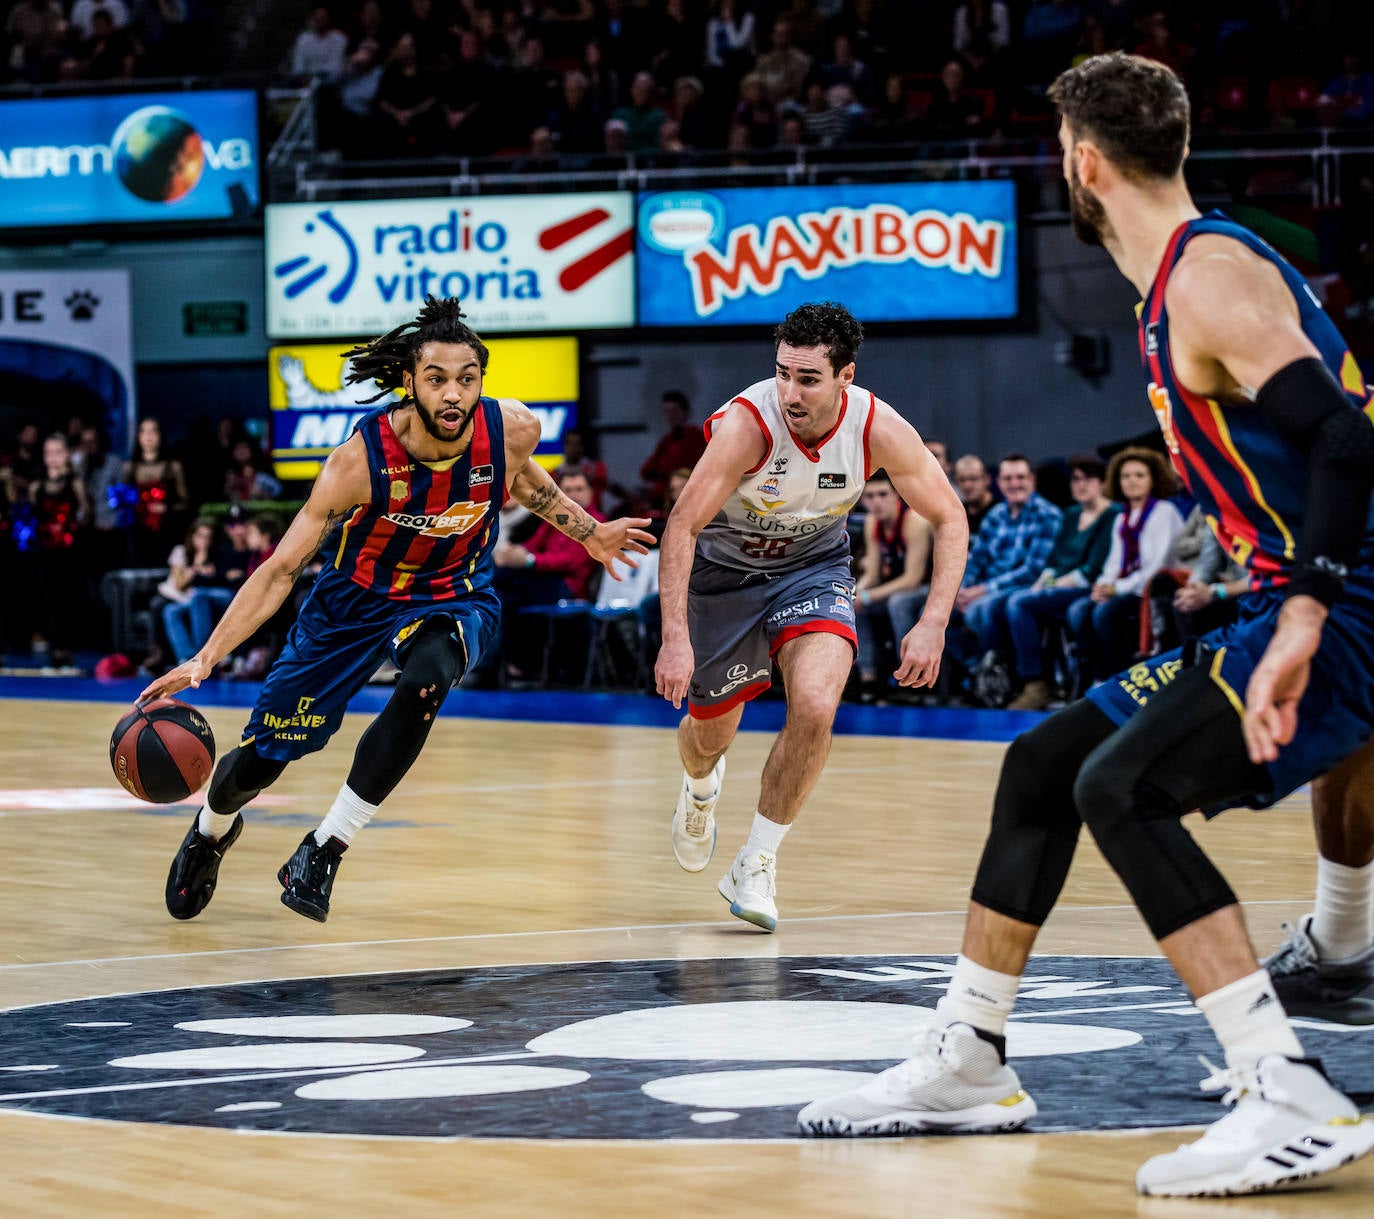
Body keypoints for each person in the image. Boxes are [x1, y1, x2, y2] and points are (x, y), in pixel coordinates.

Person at [799, 53, 1374, 1197]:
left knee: (1123, 788)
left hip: (1342, 604)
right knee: (1044, 765)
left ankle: (1286, 1088)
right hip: (1300, 596)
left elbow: (1346, 443)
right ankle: (968, 1057)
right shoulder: (1183, 274)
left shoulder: (1208, 277)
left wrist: (1306, 612)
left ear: (1084, 160)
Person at [140, 298, 652, 925]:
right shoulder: (358, 464)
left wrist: (589, 531)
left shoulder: (511, 428)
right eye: (437, 379)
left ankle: (324, 849)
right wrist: (205, 657)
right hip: (353, 603)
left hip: (452, 592)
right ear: (409, 382)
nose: (453, 394)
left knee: (427, 679)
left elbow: (521, 480)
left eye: (467, 378)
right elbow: (280, 569)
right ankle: (210, 831)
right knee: (263, 759)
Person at [655, 302, 967, 932]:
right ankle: (700, 787)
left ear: (845, 376)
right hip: (724, 579)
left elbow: (950, 517)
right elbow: (681, 525)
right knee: (708, 736)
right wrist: (675, 639)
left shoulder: (877, 428)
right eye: (782, 374)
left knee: (818, 705)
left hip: (813, 569)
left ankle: (757, 860)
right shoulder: (749, 425)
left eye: (808, 379)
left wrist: (933, 621)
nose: (790, 392)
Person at [1005, 453, 1117, 710]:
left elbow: (1092, 569)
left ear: (1102, 482)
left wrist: (1050, 585)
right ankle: (1015, 680)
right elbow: (1053, 560)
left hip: (1089, 587)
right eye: (1076, 480)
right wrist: (1041, 582)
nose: (1081, 485)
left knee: (1019, 604)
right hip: (1060, 587)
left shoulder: (1113, 514)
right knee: (1018, 600)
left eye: (1088, 479)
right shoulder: (1071, 514)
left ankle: (1036, 683)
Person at [1065, 444, 1183, 682]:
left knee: (1104, 613)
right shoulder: (1122, 518)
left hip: (1154, 591)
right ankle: (1099, 678)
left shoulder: (1164, 512)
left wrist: (1115, 589)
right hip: (1127, 588)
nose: (1132, 481)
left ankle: (1121, 677)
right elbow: (1113, 563)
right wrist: (1102, 586)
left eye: (1139, 475)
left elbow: (1155, 567)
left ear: (1153, 479)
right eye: (1126, 476)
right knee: (1078, 610)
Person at [947, 454, 1062, 676]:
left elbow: (1033, 570)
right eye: (1008, 478)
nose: (1014, 484)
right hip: (985, 587)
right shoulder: (996, 515)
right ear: (999, 482)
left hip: (1025, 586)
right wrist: (961, 590)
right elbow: (976, 560)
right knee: (935, 611)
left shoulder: (1047, 515)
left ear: (1032, 479)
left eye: (1020, 477)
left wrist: (983, 590)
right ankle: (979, 669)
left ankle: (1004, 674)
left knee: (981, 610)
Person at [853, 469, 933, 702]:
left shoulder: (914, 522)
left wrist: (868, 596)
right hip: (896, 587)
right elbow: (874, 574)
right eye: (870, 496)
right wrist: (856, 594)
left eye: (882, 494)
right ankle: (867, 678)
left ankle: (911, 677)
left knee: (899, 603)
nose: (876, 502)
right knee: (852, 605)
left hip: (929, 588)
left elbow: (913, 579)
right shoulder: (872, 523)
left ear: (897, 495)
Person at [640, 390, 707, 505]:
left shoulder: (697, 438)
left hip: (686, 497)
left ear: (686, 413)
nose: (670, 416)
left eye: (674, 411)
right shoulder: (666, 441)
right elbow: (647, 471)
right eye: (666, 412)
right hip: (663, 500)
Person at [953, 454, 995, 534]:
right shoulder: (956, 514)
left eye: (973, 479)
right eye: (962, 480)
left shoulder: (1001, 514)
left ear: (987, 480)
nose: (967, 485)